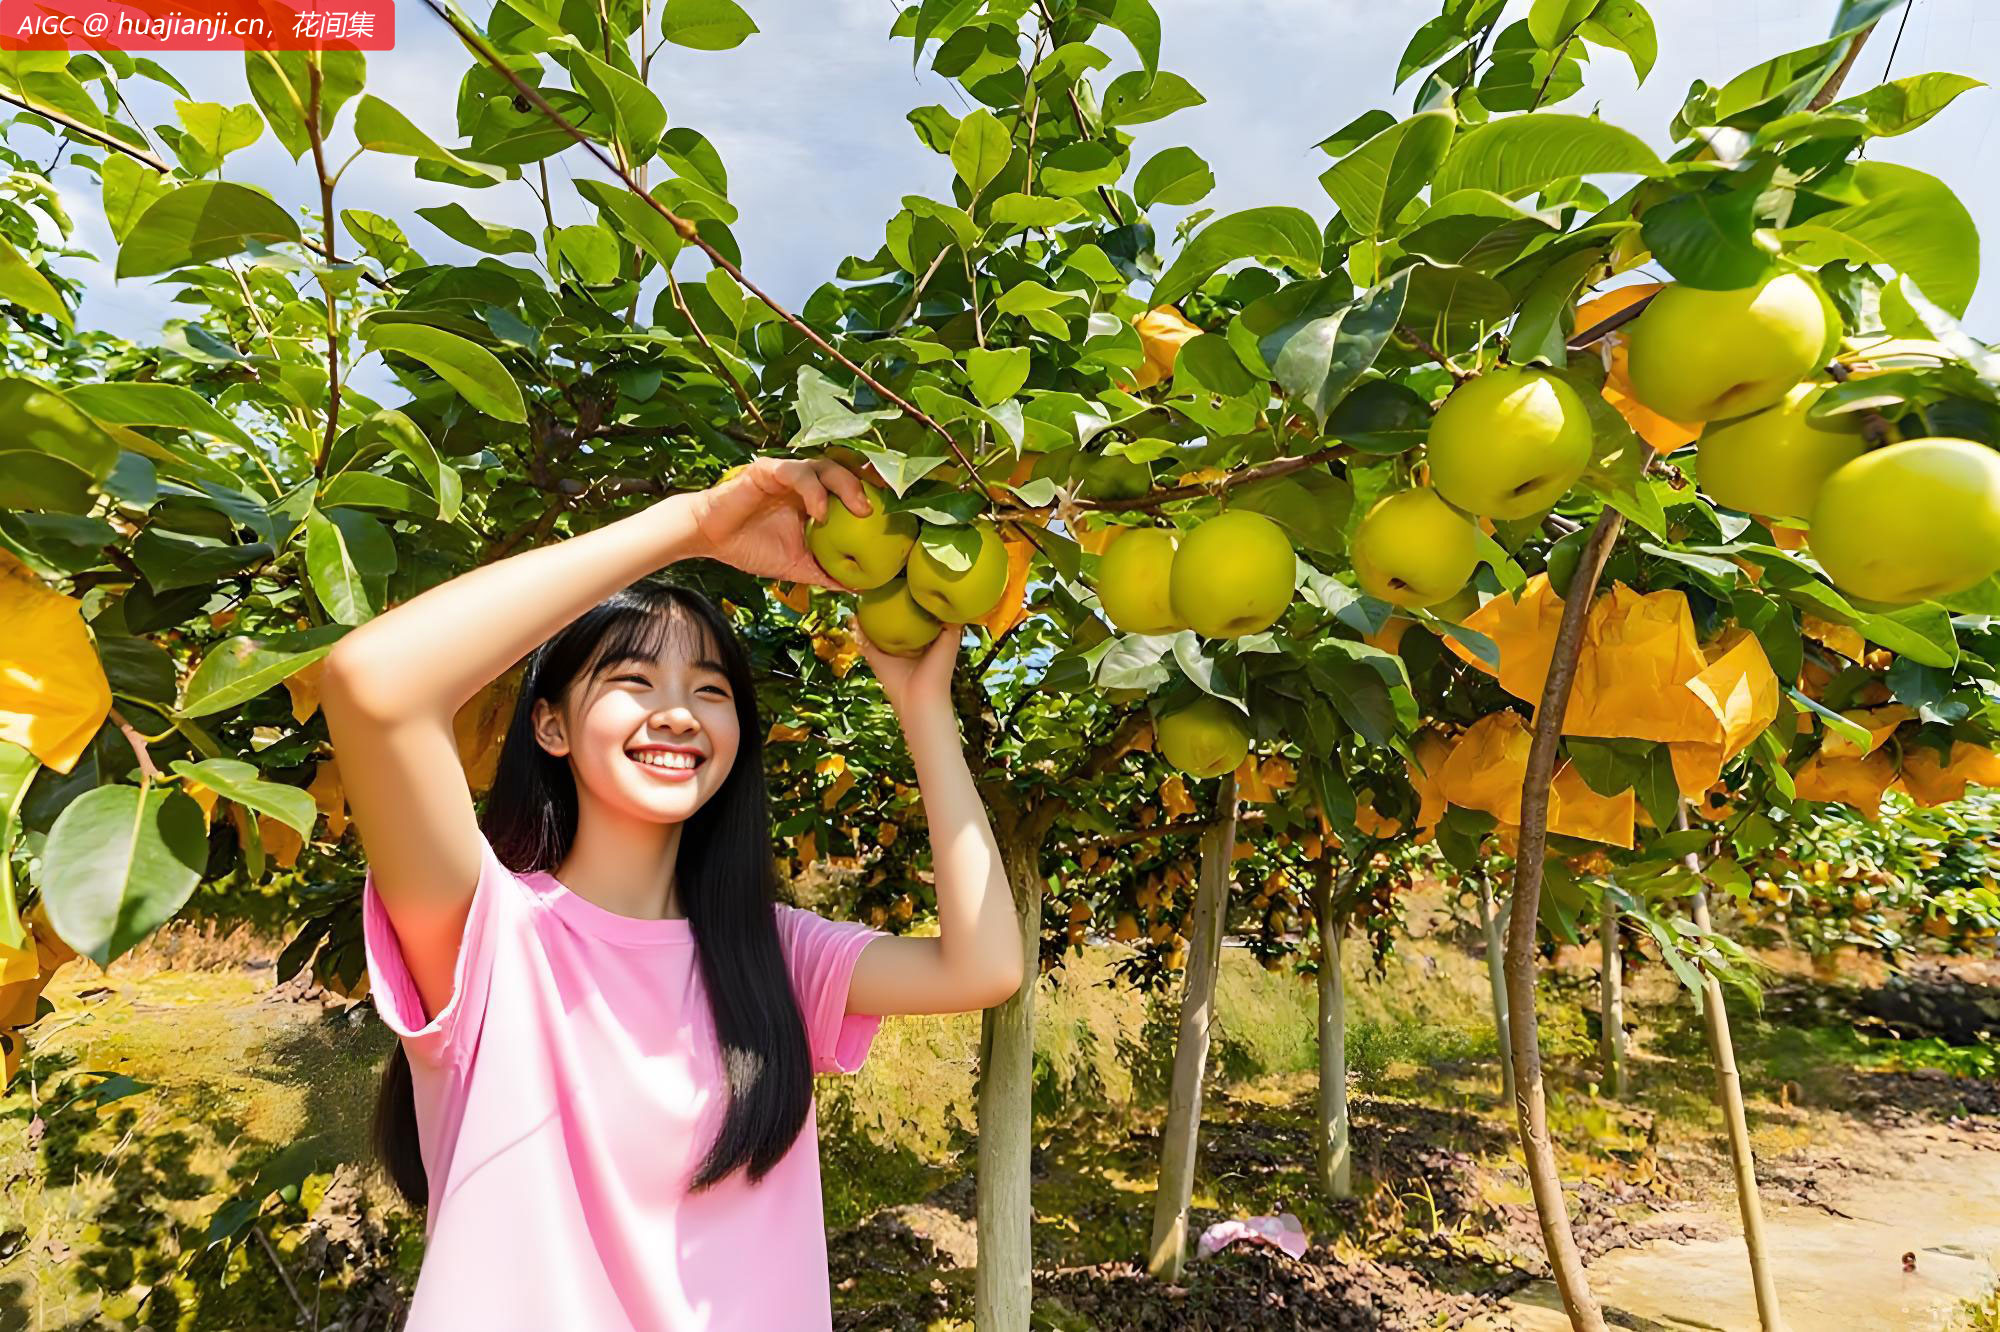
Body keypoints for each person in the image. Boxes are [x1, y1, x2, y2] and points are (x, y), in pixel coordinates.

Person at [320, 457, 1023, 1330]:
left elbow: (985, 965)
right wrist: (694, 525)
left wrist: (923, 708)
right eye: (632, 682)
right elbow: (371, 683)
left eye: (710, 691)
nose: (679, 713)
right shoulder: (493, 935)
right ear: (550, 723)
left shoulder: (769, 951)